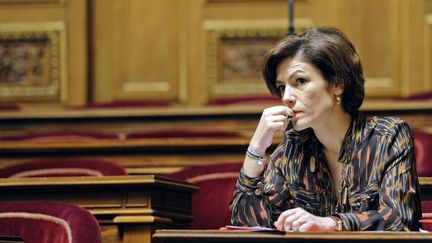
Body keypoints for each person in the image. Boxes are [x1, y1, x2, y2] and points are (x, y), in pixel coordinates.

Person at [229, 26, 422, 232]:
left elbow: (399, 219)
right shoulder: (292, 149)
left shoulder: (388, 136)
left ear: (338, 83)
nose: (286, 97)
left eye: (300, 81)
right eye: (282, 87)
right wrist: (256, 148)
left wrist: (330, 223)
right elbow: (244, 220)